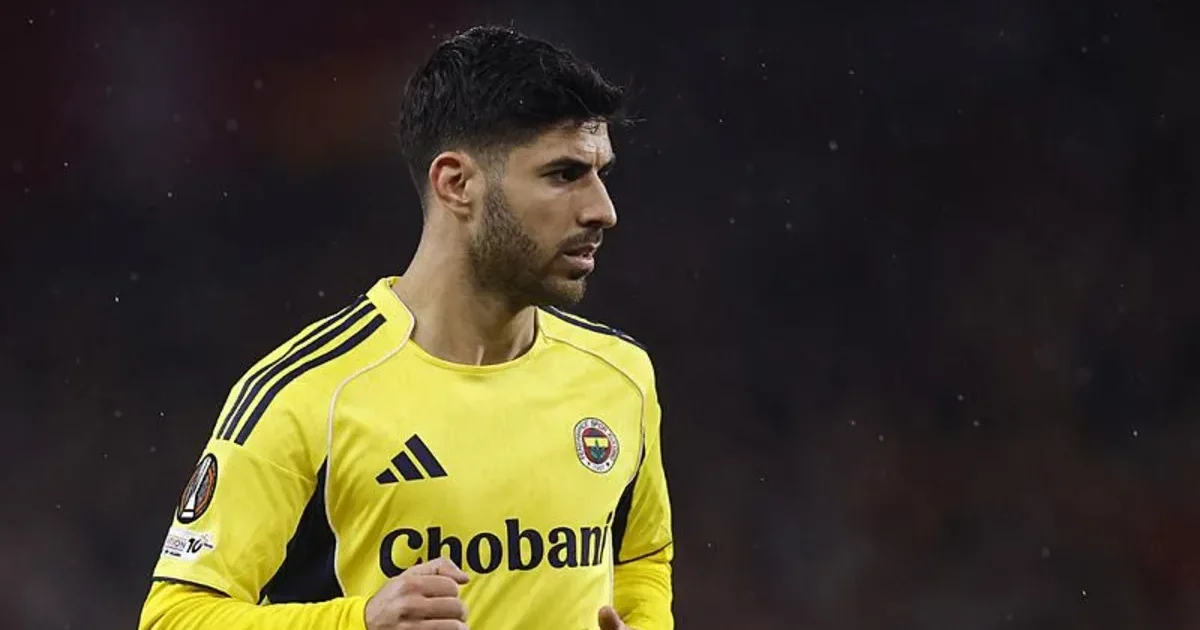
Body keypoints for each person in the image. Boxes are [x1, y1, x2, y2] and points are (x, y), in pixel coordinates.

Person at [137, 25, 673, 630]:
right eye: (564, 174)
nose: (603, 209)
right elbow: (173, 618)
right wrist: (359, 622)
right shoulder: (309, 395)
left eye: (601, 174)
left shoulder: (620, 377)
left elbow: (642, 560)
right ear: (456, 184)